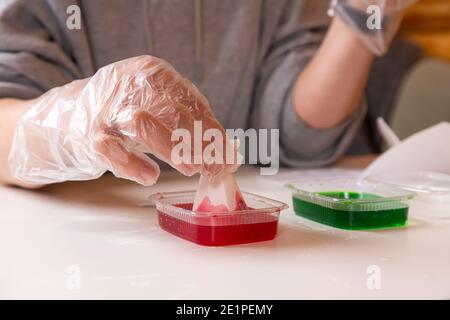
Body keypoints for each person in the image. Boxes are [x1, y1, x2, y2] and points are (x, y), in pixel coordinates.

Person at [0, 0, 414, 188]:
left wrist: (362, 15)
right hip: (81, 240)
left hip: (254, 252)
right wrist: (78, 119)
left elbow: (302, 141)